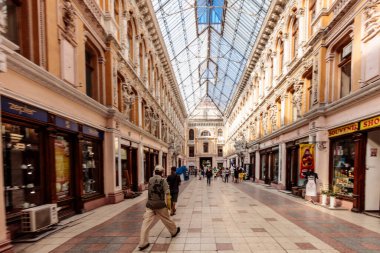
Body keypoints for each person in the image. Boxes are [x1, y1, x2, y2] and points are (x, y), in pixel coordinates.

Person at [138, 165, 180, 251]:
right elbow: (168, 194)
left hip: (150, 205)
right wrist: (169, 207)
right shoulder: (163, 181)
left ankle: (143, 243)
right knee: (166, 219)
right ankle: (174, 231)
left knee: (145, 223)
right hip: (160, 205)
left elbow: (149, 191)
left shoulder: (150, 179)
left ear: (155, 172)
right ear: (162, 173)